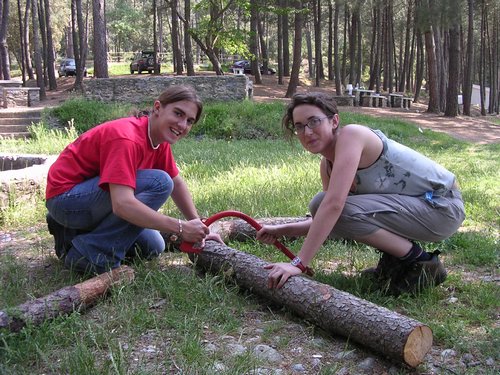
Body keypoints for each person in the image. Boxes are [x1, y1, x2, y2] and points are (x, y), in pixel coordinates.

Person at [256, 92, 465, 295]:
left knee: (325, 203)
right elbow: (332, 222)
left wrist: (299, 264)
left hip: (443, 207)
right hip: (417, 211)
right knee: (320, 204)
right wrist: (281, 230)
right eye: (299, 126)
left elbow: (335, 207)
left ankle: (422, 263)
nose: (307, 132)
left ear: (334, 121)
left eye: (314, 122)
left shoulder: (352, 135)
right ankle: (398, 260)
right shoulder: (327, 165)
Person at [45, 85, 222, 274]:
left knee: (153, 246)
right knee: (160, 182)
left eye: (189, 121)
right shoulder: (126, 138)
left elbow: (177, 183)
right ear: (157, 108)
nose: (182, 125)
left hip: (90, 202)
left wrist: (200, 227)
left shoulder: (158, 140)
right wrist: (180, 228)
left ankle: (73, 235)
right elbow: (122, 204)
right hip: (66, 201)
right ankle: (91, 254)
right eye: (178, 114)